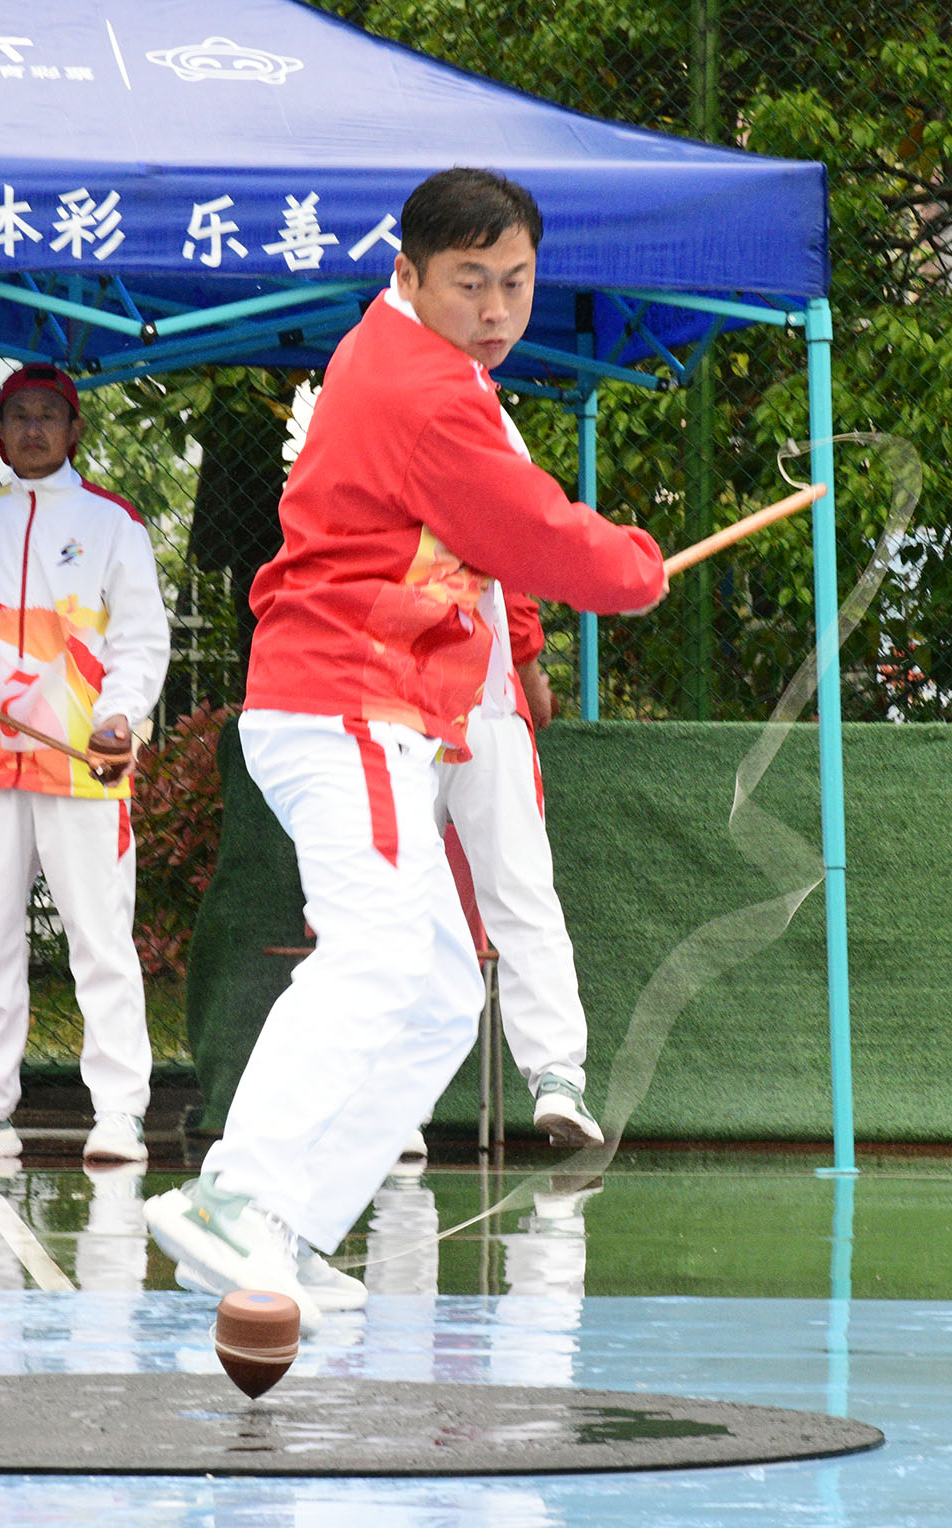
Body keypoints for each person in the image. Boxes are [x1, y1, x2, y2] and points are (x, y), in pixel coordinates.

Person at [144, 169, 667, 1327]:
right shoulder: (424, 389)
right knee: (380, 951)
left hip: (359, 705)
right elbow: (531, 530)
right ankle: (237, 1196)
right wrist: (631, 567)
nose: (496, 307)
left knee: (434, 991)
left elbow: (492, 537)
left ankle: (278, 1224)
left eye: (515, 282)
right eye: (469, 281)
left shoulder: (398, 360)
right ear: (409, 274)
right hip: (347, 703)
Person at [0, 363, 170, 1165]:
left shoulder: (114, 522)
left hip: (85, 762)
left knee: (99, 938)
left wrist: (120, 715)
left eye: (49, 415)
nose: (33, 429)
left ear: (75, 430)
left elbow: (140, 637)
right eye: (18, 415)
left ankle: (119, 1112)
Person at [398, 579, 605, 1160]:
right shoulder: (474, 509)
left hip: (397, 710)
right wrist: (531, 678)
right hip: (479, 704)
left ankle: (397, 1109)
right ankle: (557, 1076)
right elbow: (509, 583)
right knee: (521, 897)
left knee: (393, 903)